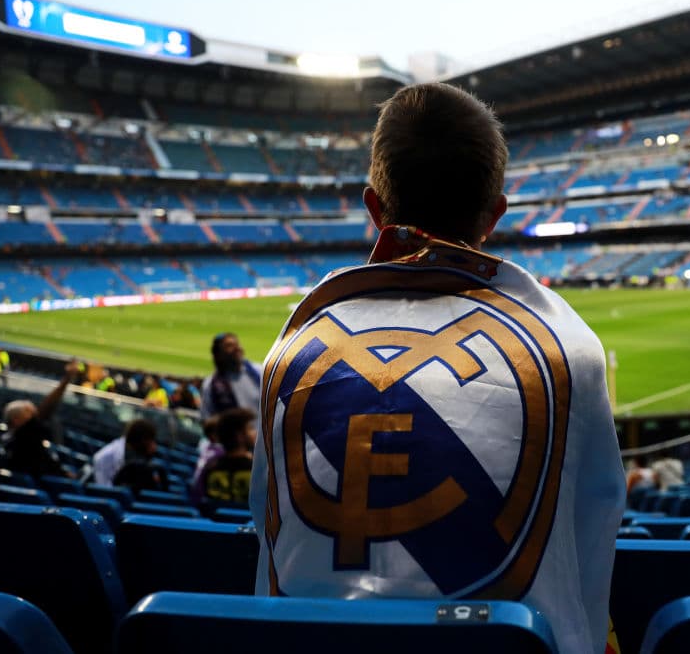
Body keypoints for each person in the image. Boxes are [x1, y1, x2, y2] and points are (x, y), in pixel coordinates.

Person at [249, 83, 625, 654]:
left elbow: (268, 531)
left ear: (375, 207)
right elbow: (588, 561)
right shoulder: (570, 352)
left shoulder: (288, 355)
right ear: (494, 215)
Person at [1, 361, 78, 479]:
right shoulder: (24, 438)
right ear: (16, 420)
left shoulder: (10, 440)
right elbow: (46, 410)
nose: (34, 414)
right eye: (29, 412)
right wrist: (66, 379)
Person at [195, 407, 255, 505]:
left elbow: (199, 499)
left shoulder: (209, 467)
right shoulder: (259, 470)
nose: (255, 433)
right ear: (239, 436)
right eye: (250, 428)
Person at [200, 333, 261, 420]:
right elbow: (206, 420)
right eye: (229, 346)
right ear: (218, 355)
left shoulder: (259, 372)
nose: (237, 348)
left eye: (237, 344)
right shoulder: (210, 385)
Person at [111, 419, 166, 494]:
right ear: (146, 441)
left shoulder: (120, 453)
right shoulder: (145, 468)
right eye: (153, 440)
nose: (155, 446)